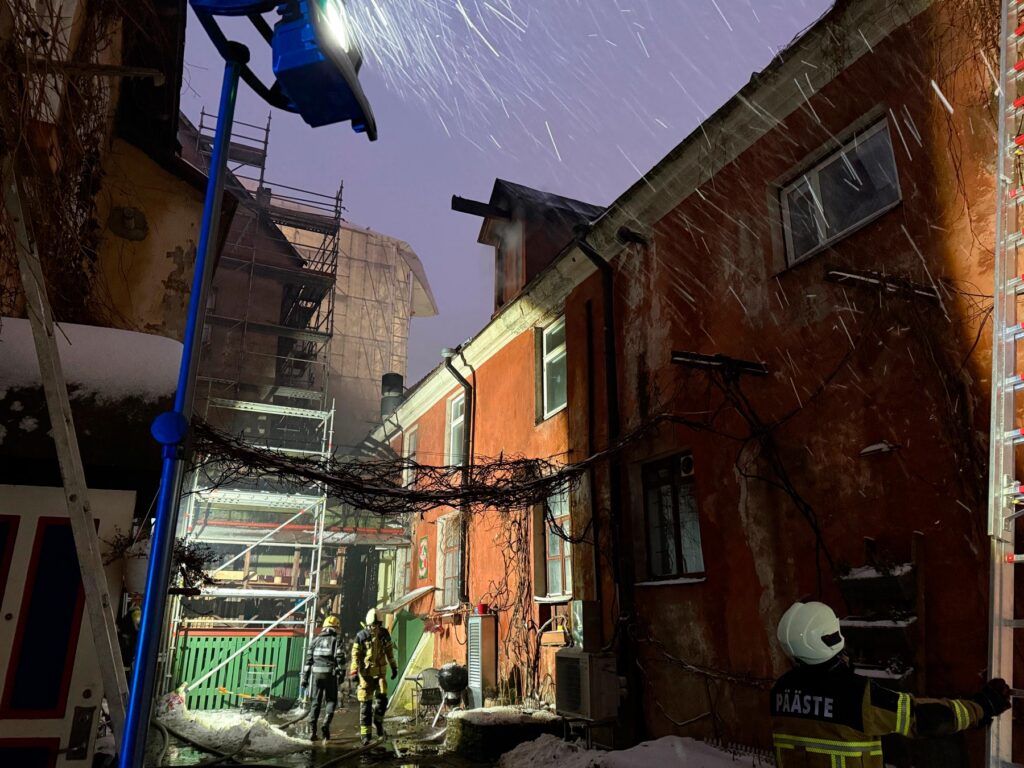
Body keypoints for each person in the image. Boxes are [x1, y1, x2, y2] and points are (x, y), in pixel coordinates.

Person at [771, 600, 1012, 767]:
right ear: (832, 637)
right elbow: (922, 718)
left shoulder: (779, 691)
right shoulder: (855, 694)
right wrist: (982, 706)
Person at [350, 608, 399, 744]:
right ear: (368, 624)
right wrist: (353, 671)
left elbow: (389, 652)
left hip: (380, 674)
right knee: (366, 705)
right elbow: (355, 655)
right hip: (366, 675)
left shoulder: (384, 634)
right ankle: (366, 735)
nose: (376, 628)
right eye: (373, 625)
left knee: (382, 700)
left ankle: (378, 721)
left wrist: (394, 667)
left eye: (378, 625)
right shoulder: (361, 636)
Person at [301, 614, 346, 743]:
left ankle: (312, 732)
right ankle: (326, 723)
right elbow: (340, 659)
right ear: (335, 628)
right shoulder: (336, 640)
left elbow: (308, 662)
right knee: (331, 701)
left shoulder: (314, 641)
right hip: (330, 675)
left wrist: (305, 679)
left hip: (316, 675)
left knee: (315, 702)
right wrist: (342, 674)